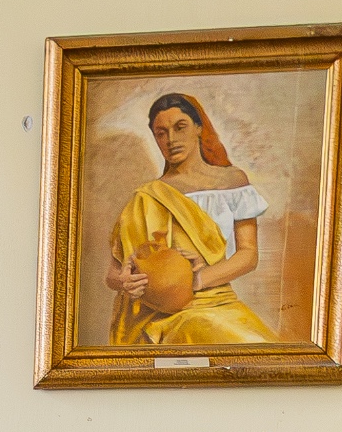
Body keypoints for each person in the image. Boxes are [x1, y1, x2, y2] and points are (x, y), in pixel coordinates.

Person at [106, 91, 276, 346]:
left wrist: (196, 280)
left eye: (180, 127)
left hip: (219, 302)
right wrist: (126, 282)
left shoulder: (232, 182)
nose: (171, 139)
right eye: (161, 133)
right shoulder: (146, 197)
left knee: (262, 349)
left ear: (199, 127)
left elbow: (248, 254)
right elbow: (113, 272)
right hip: (163, 314)